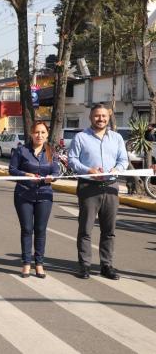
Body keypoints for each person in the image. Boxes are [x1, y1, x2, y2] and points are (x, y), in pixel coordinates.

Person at [68, 103, 128, 280]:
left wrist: (117, 168)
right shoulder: (80, 137)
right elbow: (72, 160)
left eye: (103, 116)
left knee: (109, 230)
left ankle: (106, 265)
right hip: (88, 187)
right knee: (85, 229)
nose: (100, 119)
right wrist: (88, 170)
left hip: (110, 187)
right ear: (90, 117)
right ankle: (84, 265)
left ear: (108, 117)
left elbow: (123, 159)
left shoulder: (116, 138)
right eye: (97, 116)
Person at [8, 121, 60, 279]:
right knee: (27, 229)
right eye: (37, 132)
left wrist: (53, 178)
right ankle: (26, 263)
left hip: (44, 194)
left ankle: (39, 264)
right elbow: (12, 169)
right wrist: (25, 175)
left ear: (47, 134)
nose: (40, 135)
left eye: (43, 132)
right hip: (24, 194)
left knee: (40, 230)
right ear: (31, 133)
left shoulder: (51, 152)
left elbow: (56, 171)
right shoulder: (21, 151)